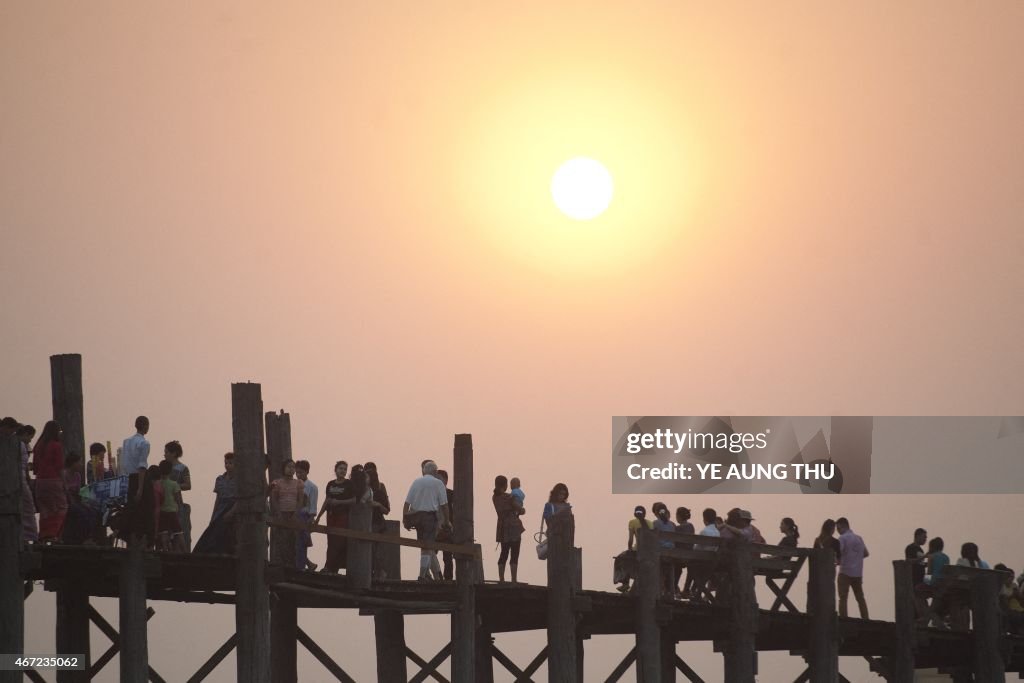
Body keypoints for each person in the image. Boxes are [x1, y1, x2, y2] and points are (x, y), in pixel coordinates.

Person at [403, 460, 451, 582]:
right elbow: (444, 505)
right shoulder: (438, 483)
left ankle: (436, 574)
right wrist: (447, 521)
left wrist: (405, 518)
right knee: (427, 547)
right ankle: (423, 575)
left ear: (424, 471)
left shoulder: (416, 482)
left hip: (417, 517)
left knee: (425, 546)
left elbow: (407, 503)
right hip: (430, 517)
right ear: (435, 472)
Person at [194, 453, 238, 555]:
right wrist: (213, 515)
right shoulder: (220, 479)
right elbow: (217, 499)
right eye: (226, 463)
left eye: (230, 463)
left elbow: (239, 499)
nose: (227, 465)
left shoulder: (239, 480)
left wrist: (232, 511)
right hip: (220, 508)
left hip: (232, 507)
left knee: (228, 533)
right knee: (213, 530)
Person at [33, 421, 66, 543]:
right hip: (53, 480)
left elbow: (35, 467)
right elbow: (59, 467)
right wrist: (64, 484)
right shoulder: (56, 445)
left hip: (40, 482)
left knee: (45, 510)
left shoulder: (38, 445)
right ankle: (53, 534)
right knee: (61, 507)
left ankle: (43, 534)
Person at [270, 459, 307, 567]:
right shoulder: (277, 482)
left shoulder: (298, 483)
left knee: (293, 540)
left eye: (293, 467)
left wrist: (296, 513)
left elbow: (300, 500)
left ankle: (292, 566)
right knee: (281, 540)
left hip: (293, 514)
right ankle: (280, 564)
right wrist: (278, 513)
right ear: (283, 468)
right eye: (288, 467)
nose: (291, 469)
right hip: (281, 514)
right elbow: (274, 499)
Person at [121, 416, 151, 541]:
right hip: (138, 478)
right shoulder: (144, 443)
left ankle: (128, 536)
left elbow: (124, 461)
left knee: (130, 508)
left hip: (127, 477)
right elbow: (142, 466)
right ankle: (140, 538)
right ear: (145, 426)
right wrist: (140, 488)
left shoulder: (126, 441)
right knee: (142, 510)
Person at [318, 461, 351, 574]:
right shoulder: (330, 484)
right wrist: (319, 516)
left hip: (343, 515)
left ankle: (330, 566)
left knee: (339, 541)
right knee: (331, 540)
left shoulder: (348, 484)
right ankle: (331, 567)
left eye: (345, 469)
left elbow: (354, 500)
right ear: (335, 470)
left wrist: (339, 502)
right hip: (331, 515)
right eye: (340, 468)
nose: (343, 471)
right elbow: (327, 500)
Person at [492, 475, 525, 583]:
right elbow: (520, 509)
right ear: (505, 485)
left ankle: (501, 579)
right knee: (514, 553)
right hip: (514, 527)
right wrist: (522, 509)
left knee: (504, 553)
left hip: (502, 528)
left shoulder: (495, 497)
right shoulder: (509, 497)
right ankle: (514, 579)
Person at [836, 517, 870, 619]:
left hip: (845, 572)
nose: (837, 531)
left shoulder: (842, 538)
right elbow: (866, 553)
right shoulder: (859, 538)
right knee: (860, 598)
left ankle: (844, 618)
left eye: (838, 528)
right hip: (858, 573)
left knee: (843, 598)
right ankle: (865, 618)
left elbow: (838, 553)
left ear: (842, 526)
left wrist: (838, 561)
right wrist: (856, 558)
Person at [163, 440, 192, 551]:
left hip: (176, 503)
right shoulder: (164, 466)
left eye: (166, 452)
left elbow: (188, 485)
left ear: (174, 453)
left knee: (178, 532)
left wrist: (173, 486)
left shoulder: (183, 468)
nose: (164, 454)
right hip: (164, 502)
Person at [157, 460, 186, 552]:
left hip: (162, 512)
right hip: (172, 512)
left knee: (164, 532)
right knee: (179, 532)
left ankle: (165, 550)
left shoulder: (158, 484)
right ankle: (185, 551)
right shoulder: (174, 484)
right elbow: (178, 500)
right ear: (170, 471)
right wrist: (179, 508)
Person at [15, 424, 38, 544]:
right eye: (30, 437)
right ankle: (30, 535)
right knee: (28, 508)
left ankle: (27, 535)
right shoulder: (17, 445)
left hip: (21, 478)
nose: (30, 440)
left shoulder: (23, 446)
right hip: (18, 479)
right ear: (24, 434)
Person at [295, 460, 318, 571]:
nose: (299, 475)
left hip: (305, 515)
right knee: (295, 542)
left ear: (307, 472)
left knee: (301, 544)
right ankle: (307, 564)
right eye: (297, 472)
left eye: (301, 472)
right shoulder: (293, 484)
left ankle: (301, 567)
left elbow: (313, 504)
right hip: (294, 515)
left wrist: (311, 518)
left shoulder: (312, 487)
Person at [435, 469, 455, 581]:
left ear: (446, 481)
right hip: (435, 528)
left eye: (440, 479)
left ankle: (448, 579)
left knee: (447, 556)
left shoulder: (451, 494)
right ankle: (436, 575)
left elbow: (456, 511)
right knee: (431, 553)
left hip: (447, 527)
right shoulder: (433, 494)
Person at [674, 507, 695, 597]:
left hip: (679, 556)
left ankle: (673, 588)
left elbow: (675, 542)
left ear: (678, 516)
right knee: (681, 567)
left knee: (675, 567)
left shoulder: (677, 528)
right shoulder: (691, 526)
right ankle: (685, 589)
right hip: (690, 556)